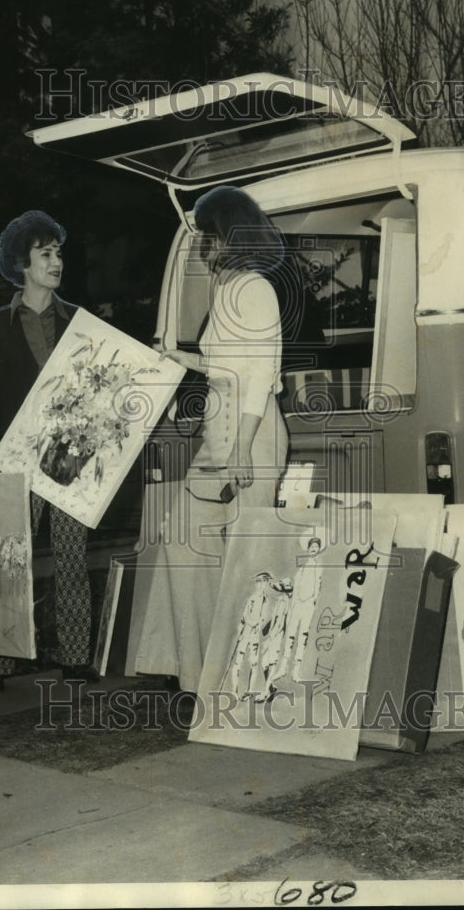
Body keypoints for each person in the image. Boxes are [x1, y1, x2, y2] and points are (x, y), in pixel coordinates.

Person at [133, 185, 290, 694]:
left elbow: (261, 373)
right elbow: (227, 366)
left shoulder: (254, 288)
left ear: (229, 233)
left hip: (251, 433)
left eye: (209, 233)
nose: (204, 243)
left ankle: (254, 680)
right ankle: (201, 673)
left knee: (250, 558)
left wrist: (243, 449)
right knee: (184, 540)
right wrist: (184, 361)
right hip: (221, 430)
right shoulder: (230, 286)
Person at [0, 209, 97, 686]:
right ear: (23, 264)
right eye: (46, 254)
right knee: (9, 558)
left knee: (70, 557)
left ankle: (76, 658)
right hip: (16, 458)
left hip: (68, 458)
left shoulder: (79, 321)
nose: (57, 261)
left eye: (59, 252)